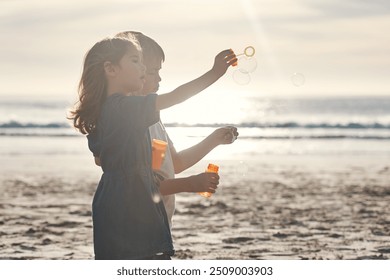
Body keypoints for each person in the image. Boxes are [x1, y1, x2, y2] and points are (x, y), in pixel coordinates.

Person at [69, 35, 236, 260]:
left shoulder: (115, 114)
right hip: (134, 210)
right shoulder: (125, 110)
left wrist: (213, 140)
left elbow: (164, 165)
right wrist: (215, 73)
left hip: (116, 207)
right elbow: (176, 97)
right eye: (138, 63)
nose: (148, 73)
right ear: (111, 69)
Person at [113, 31, 239, 229]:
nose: (159, 79)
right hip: (133, 227)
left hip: (156, 223)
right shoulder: (129, 125)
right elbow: (143, 185)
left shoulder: (152, 121)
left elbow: (174, 164)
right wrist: (190, 184)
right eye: (152, 72)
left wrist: (214, 139)